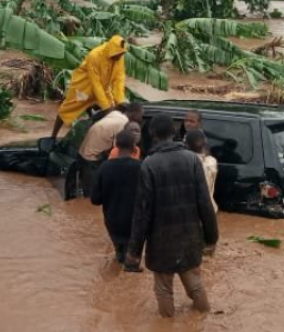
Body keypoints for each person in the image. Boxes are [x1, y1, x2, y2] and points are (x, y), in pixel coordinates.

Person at [126, 114, 219, 317]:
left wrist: (134, 251)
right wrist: (211, 237)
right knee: (195, 284)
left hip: (161, 241)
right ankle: (203, 318)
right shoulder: (193, 160)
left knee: (163, 288)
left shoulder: (149, 165)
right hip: (190, 236)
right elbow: (205, 202)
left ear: (152, 134)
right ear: (174, 132)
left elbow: (142, 212)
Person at [51, 35, 127, 140]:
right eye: (117, 54)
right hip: (84, 88)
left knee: (112, 110)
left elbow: (119, 78)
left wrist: (120, 100)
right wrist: (106, 107)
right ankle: (53, 137)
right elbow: (95, 83)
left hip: (103, 88)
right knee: (66, 110)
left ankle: (95, 134)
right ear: (111, 50)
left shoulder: (119, 56)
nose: (119, 57)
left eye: (121, 54)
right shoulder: (95, 55)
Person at [90, 129, 143, 263]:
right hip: (136, 222)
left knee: (119, 256)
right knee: (132, 261)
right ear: (134, 147)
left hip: (113, 222)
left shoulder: (105, 167)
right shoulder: (141, 167)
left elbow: (95, 200)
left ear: (116, 146)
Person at [76, 104, 131, 196]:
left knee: (89, 194)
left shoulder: (114, 114)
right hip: (92, 159)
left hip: (84, 153)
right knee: (93, 194)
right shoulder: (124, 122)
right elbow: (117, 150)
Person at [185, 129, 218, 214]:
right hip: (208, 209)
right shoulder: (211, 162)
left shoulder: (185, 164)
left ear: (186, 145)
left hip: (191, 212)